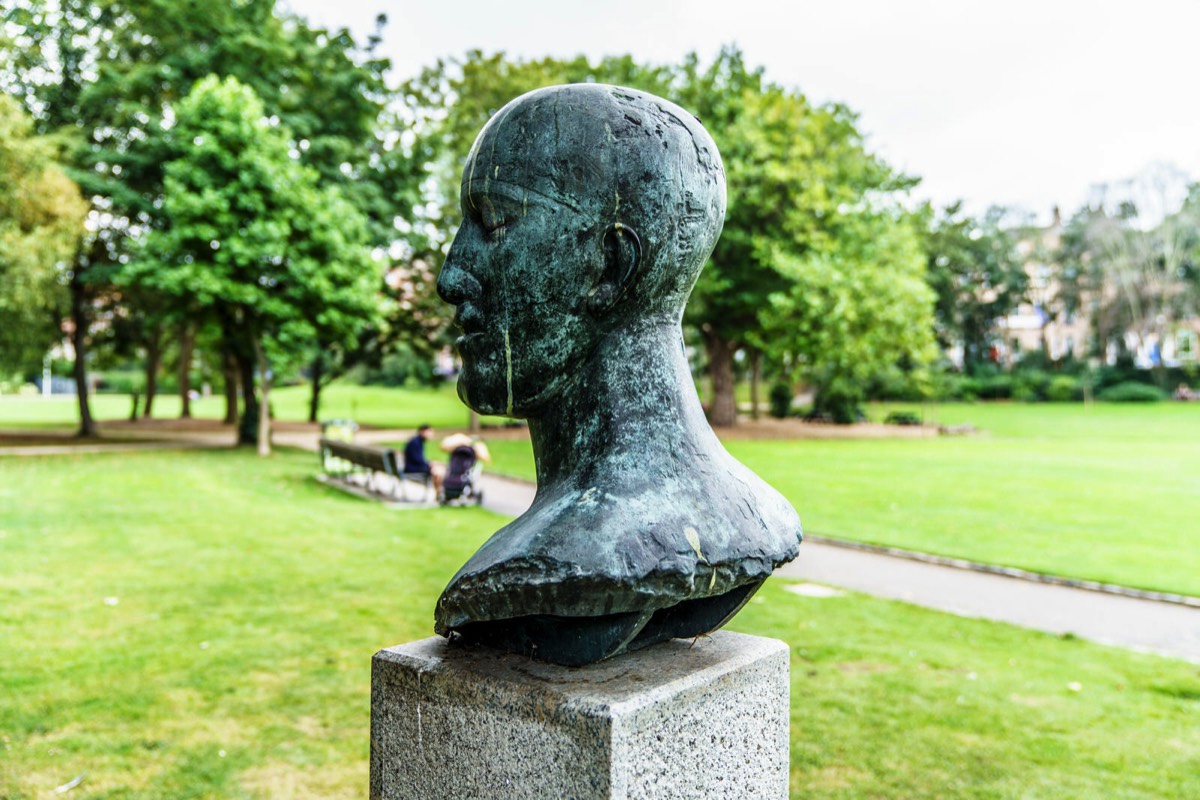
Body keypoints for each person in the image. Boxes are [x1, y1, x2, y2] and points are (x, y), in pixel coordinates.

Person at [433, 84, 801, 665]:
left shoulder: (564, 557)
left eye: (495, 222)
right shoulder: (754, 515)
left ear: (610, 266)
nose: (450, 277)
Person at [403, 424, 444, 494]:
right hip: (413, 469)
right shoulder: (415, 443)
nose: (431, 434)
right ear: (422, 432)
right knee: (437, 471)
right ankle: (439, 493)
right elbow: (417, 460)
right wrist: (430, 464)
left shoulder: (417, 441)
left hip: (413, 467)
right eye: (429, 432)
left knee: (438, 469)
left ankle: (439, 492)